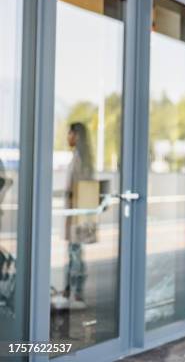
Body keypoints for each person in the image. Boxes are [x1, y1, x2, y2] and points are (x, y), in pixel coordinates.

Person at [51, 122, 95, 310]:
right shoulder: (79, 157)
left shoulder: (81, 159)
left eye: (70, 133)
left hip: (79, 213)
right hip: (77, 212)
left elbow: (81, 187)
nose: (67, 137)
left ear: (77, 135)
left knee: (75, 254)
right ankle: (71, 291)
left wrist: (66, 194)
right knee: (74, 253)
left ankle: (77, 294)